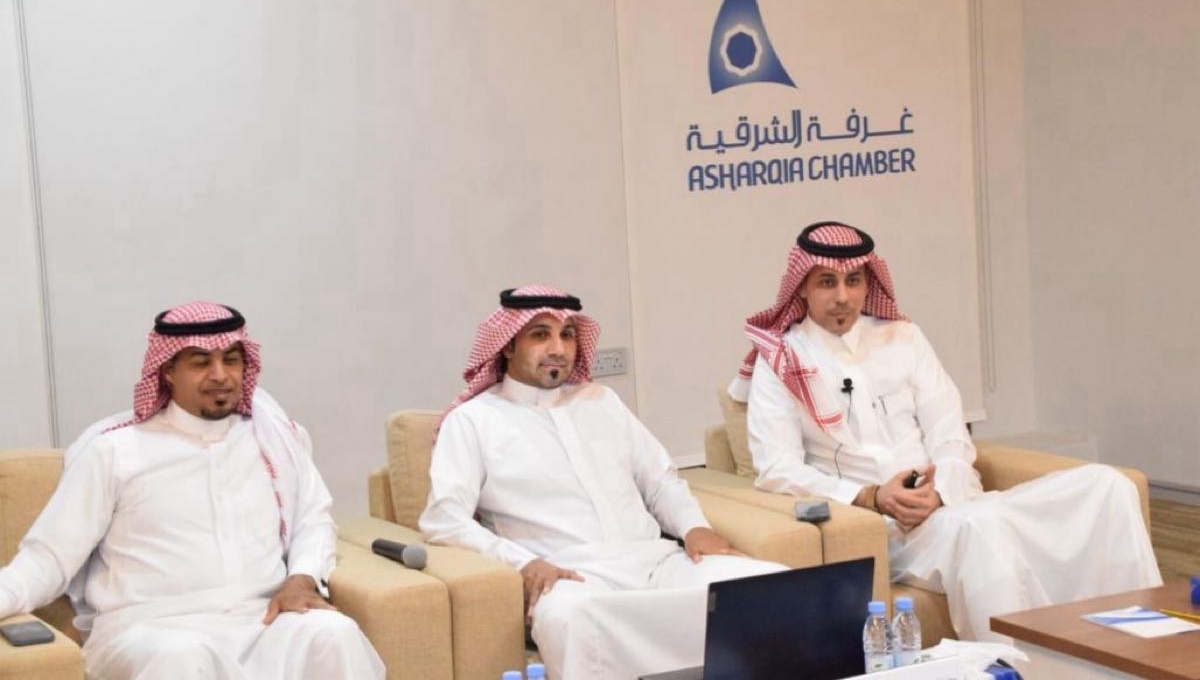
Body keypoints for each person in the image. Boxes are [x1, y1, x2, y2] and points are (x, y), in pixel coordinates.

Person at [732, 222, 1162, 641]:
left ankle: (1141, 648)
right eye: (827, 282)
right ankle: (1011, 669)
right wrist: (872, 496)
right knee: (980, 527)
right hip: (888, 528)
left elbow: (951, 434)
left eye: (854, 280)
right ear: (802, 287)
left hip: (955, 501)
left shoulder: (903, 338)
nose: (843, 296)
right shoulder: (780, 359)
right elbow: (777, 468)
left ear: (868, 283)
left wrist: (941, 492)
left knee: (1108, 486)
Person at [0, 302, 385, 680]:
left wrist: (302, 578)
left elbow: (313, 520)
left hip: (261, 618)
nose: (220, 375)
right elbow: (47, 560)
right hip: (151, 628)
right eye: (201, 362)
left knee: (334, 634)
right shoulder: (114, 452)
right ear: (167, 370)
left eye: (231, 360)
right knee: (184, 657)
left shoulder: (275, 439)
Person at [422, 285, 784, 680]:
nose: (558, 348)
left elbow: (659, 479)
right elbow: (444, 518)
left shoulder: (602, 401)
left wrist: (694, 527)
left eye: (567, 335)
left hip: (657, 563)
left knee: (770, 587)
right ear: (508, 345)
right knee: (574, 618)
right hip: (571, 577)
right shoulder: (474, 421)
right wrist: (523, 562)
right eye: (540, 335)